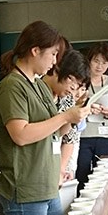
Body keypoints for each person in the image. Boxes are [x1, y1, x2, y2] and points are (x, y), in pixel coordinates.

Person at [0, 21, 89, 215]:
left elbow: (55, 131)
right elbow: (20, 134)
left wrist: (75, 116)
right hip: (25, 188)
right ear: (35, 51)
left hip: (46, 185)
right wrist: (64, 117)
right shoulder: (13, 86)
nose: (54, 62)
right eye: (51, 55)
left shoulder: (35, 85)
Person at [76, 42, 108, 187]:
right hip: (84, 134)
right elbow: (72, 106)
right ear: (89, 60)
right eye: (96, 61)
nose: (100, 66)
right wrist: (88, 107)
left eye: (104, 62)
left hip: (105, 135)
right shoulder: (80, 81)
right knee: (82, 174)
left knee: (104, 175)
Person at [42, 49, 90, 182]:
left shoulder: (67, 98)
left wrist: (61, 169)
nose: (74, 88)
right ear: (58, 69)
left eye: (79, 84)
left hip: (54, 166)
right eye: (71, 80)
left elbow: (69, 138)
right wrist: (66, 117)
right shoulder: (36, 91)